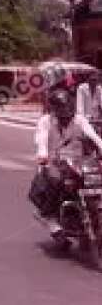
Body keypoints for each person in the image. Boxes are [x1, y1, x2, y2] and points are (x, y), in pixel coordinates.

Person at [31, 88, 102, 240]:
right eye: (61, 110)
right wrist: (42, 155)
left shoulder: (79, 119)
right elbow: (41, 140)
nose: (66, 116)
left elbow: (94, 136)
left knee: (95, 180)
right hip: (53, 162)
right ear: (54, 110)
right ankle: (50, 218)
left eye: (68, 110)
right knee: (56, 181)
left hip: (78, 161)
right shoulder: (45, 121)